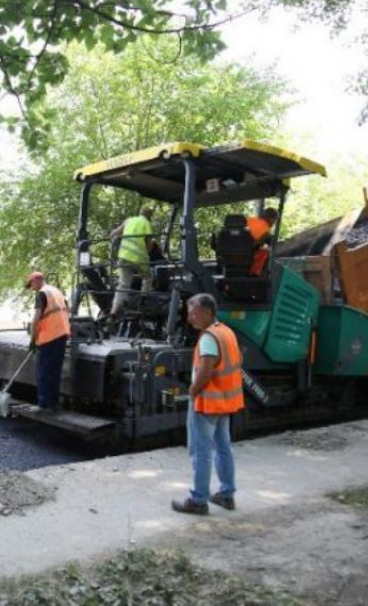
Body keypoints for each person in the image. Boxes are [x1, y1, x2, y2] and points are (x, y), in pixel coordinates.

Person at [172, 293, 244, 515]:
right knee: (223, 448)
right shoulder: (226, 331)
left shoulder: (208, 338)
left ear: (206, 312)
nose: (190, 317)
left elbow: (206, 371)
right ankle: (226, 494)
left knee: (201, 451)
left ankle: (199, 500)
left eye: (193, 313)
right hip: (225, 402)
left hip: (207, 403)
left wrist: (193, 391)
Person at [26, 271, 71, 412]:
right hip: (62, 334)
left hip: (49, 336)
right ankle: (54, 404)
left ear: (36, 280)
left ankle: (43, 405)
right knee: (55, 371)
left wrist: (33, 340)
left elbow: (36, 319)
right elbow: (67, 310)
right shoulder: (56, 291)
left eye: (31, 284)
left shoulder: (42, 293)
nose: (32, 288)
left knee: (43, 371)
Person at [109, 204, 158, 316]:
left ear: (140, 213)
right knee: (148, 277)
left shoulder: (129, 221)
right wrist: (152, 247)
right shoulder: (147, 224)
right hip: (139, 258)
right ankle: (143, 301)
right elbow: (149, 247)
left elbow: (113, 234)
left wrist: (116, 242)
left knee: (123, 285)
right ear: (149, 216)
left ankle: (114, 311)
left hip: (123, 256)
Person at [246, 207, 278, 276]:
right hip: (247, 258)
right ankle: (255, 274)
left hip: (231, 254)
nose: (274, 223)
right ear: (271, 219)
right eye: (274, 220)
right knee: (266, 251)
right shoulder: (266, 232)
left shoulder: (249, 221)